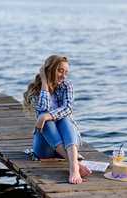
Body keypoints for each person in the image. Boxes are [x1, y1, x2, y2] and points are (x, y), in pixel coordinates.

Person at [23, 55, 92, 184]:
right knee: (47, 121)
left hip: (67, 146)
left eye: (65, 72)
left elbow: (68, 108)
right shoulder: (35, 89)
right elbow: (43, 108)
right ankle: (75, 163)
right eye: (60, 70)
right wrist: (44, 81)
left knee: (64, 118)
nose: (63, 76)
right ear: (50, 69)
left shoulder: (66, 86)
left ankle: (73, 167)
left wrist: (45, 116)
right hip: (44, 149)